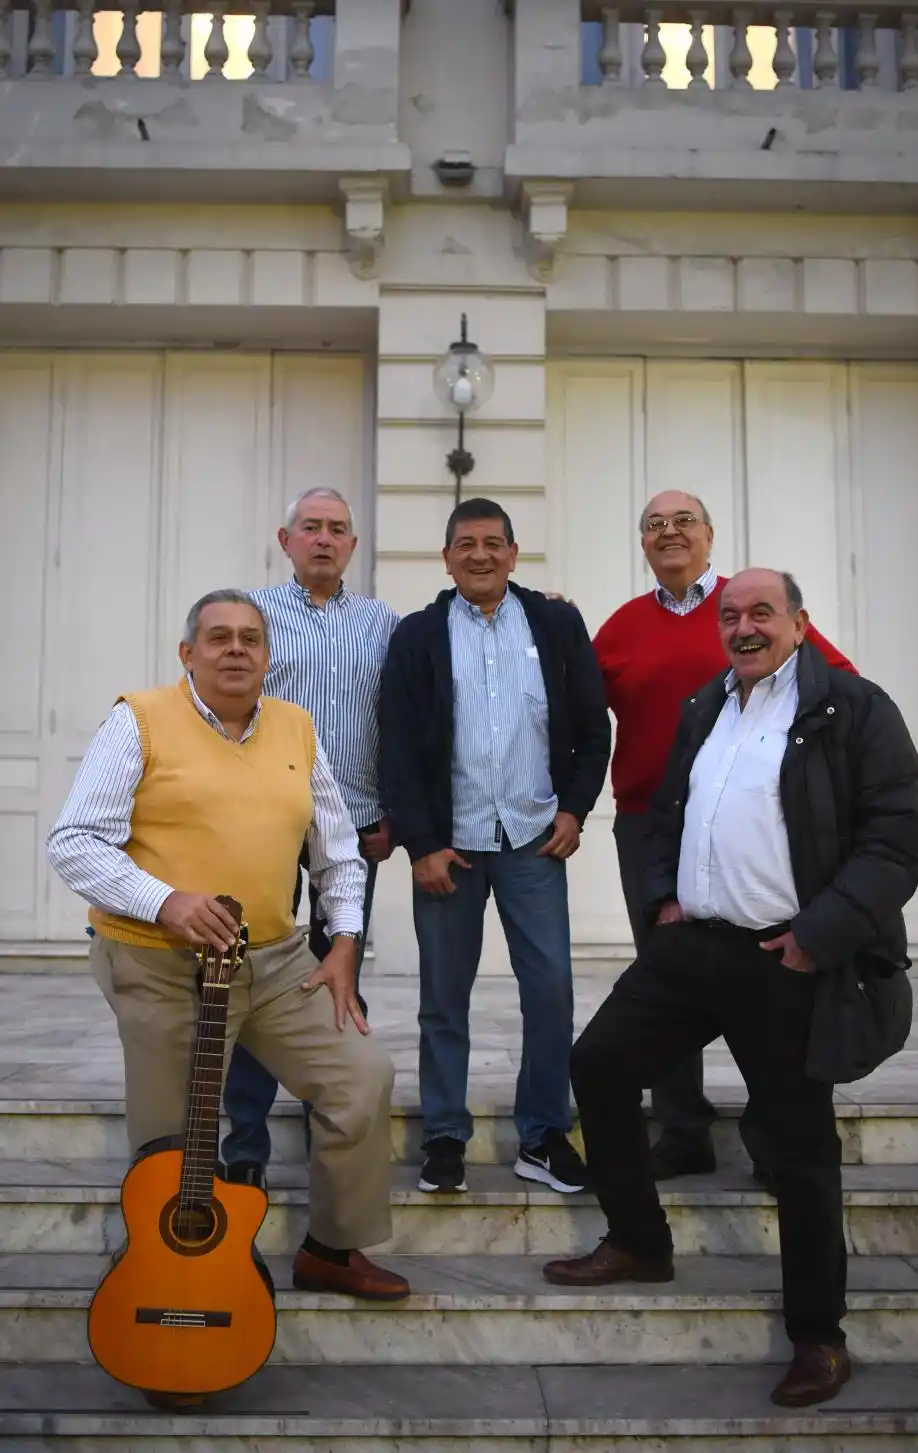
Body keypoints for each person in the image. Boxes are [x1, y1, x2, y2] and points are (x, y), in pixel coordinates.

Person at [545, 569, 918, 1409]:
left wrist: (820, 934)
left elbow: (899, 840)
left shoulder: (853, 708)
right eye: (731, 615)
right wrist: (663, 898)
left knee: (798, 1148)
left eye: (762, 612)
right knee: (599, 1065)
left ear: (800, 622)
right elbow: (665, 811)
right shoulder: (705, 706)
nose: (744, 627)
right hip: (693, 945)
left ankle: (819, 1336)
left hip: (787, 956)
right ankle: (640, 1241)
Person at [47, 589, 408, 1304]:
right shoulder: (139, 720)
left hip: (273, 961)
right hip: (158, 961)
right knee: (170, 1141)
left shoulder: (297, 727)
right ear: (188, 653)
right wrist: (166, 900)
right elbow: (75, 840)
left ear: (269, 657)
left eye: (250, 638)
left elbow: (337, 850)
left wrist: (344, 941)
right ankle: (163, 1275)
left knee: (361, 1078)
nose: (236, 649)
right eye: (219, 637)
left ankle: (333, 1248)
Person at [593, 493, 855, 1184]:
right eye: (655, 524)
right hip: (652, 825)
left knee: (762, 976)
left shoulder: (749, 610)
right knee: (668, 977)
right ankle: (682, 1130)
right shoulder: (621, 627)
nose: (669, 533)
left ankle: (777, 1138)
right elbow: (579, 709)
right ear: (642, 543)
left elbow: (839, 685)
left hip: (754, 818)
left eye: (684, 521)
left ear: (709, 536)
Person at [380, 498, 611, 1196]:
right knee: (443, 998)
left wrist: (574, 808)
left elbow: (592, 724)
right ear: (446, 558)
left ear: (513, 552)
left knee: (551, 992)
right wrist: (421, 843)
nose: (479, 554)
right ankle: (444, 1135)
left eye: (492, 542)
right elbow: (397, 746)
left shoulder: (556, 623)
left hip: (532, 840)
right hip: (449, 850)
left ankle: (542, 1134)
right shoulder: (418, 635)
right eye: (465, 544)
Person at [221, 488, 400, 1186]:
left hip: (351, 823)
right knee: (251, 974)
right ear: (285, 539)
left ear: (352, 545)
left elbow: (405, 715)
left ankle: (337, 1131)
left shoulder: (382, 623)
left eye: (337, 530)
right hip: (263, 823)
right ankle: (245, 1146)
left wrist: (392, 810)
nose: (324, 539)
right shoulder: (251, 617)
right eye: (311, 528)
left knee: (336, 974)